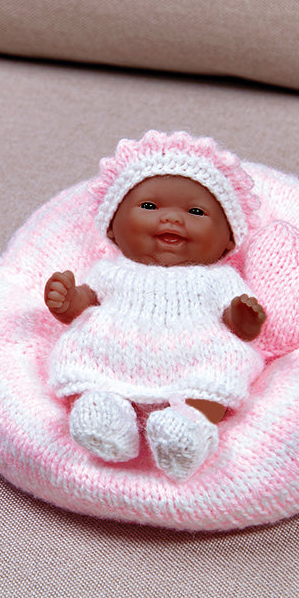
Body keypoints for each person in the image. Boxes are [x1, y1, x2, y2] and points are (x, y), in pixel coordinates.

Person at [45, 131, 266, 480]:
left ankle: (191, 424)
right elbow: (83, 303)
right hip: (114, 343)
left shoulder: (219, 278)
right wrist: (67, 301)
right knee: (81, 358)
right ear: (112, 229)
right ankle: (102, 413)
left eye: (196, 211)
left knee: (221, 370)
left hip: (195, 349)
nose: (172, 219)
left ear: (227, 242)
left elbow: (239, 327)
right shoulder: (110, 270)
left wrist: (243, 318)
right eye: (149, 206)